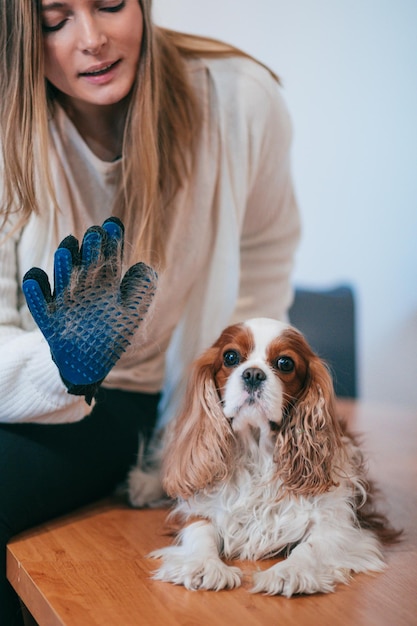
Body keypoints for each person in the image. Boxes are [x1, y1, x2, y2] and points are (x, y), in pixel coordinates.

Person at [0, 0, 300, 623]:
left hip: (146, 400)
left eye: (111, 4)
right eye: (55, 20)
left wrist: (228, 396)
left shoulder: (242, 99)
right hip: (27, 388)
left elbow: (265, 248)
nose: (93, 39)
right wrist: (63, 366)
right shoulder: (6, 132)